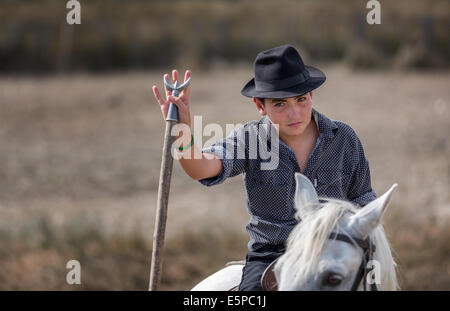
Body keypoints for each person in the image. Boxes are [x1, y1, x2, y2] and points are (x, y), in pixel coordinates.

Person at [152, 44, 377, 291]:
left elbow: (364, 199)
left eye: (301, 100)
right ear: (260, 106)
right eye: (280, 104)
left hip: (331, 250)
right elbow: (201, 168)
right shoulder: (250, 139)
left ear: (311, 95)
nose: (294, 113)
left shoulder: (343, 138)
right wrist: (181, 129)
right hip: (270, 254)